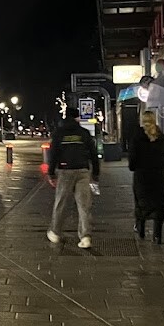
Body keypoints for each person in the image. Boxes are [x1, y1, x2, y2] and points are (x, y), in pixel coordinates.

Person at [47, 106, 100, 249]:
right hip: (83, 170)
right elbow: (93, 154)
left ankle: (55, 232)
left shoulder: (59, 133)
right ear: (77, 118)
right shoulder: (84, 133)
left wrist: (51, 173)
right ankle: (85, 236)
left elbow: (53, 154)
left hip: (65, 171)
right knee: (84, 205)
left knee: (61, 203)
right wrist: (95, 173)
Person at [129, 111, 164, 244]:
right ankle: (157, 235)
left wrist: (134, 166)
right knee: (159, 204)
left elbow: (132, 161)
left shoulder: (137, 138)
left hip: (142, 176)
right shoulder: (162, 138)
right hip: (159, 176)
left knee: (141, 203)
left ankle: (141, 228)